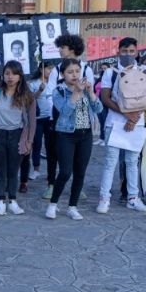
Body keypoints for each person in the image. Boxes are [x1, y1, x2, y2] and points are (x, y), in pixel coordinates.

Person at [96, 38, 146, 215]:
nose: (128, 54)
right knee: (110, 162)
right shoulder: (110, 72)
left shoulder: (144, 70)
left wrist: (134, 119)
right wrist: (126, 114)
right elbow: (105, 98)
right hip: (115, 122)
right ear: (118, 51)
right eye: (125, 51)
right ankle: (104, 198)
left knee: (132, 162)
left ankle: (133, 198)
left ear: (137, 52)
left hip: (137, 123)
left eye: (132, 51)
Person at [46, 58, 102, 220]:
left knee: (80, 173)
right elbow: (65, 111)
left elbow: (98, 108)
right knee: (65, 171)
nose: (74, 75)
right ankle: (53, 204)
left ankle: (72, 206)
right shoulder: (59, 91)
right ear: (63, 74)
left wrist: (90, 92)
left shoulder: (85, 89)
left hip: (85, 135)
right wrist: (76, 92)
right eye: (70, 72)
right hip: (66, 135)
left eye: (77, 71)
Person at [43, 33, 96, 200]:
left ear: (71, 49)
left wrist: (91, 118)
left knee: (78, 156)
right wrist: (58, 112)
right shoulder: (56, 69)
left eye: (62, 47)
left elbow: (91, 94)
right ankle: (52, 184)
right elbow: (49, 93)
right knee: (53, 152)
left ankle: (77, 187)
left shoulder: (87, 69)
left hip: (80, 119)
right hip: (59, 114)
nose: (59, 50)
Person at [0, 60, 36, 215]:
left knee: (13, 170)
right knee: (0, 170)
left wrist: (29, 141)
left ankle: (12, 200)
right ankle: (0, 200)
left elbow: (32, 121)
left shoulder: (27, 96)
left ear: (20, 76)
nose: (10, 77)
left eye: (14, 73)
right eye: (7, 73)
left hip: (18, 135)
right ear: (3, 75)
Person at [24, 62, 53, 184]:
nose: (50, 71)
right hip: (38, 119)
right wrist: (40, 91)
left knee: (50, 146)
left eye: (52, 69)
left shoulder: (54, 82)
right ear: (42, 70)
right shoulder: (32, 83)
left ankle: (51, 172)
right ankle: (36, 169)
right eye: (48, 69)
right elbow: (29, 99)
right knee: (36, 144)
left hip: (51, 118)